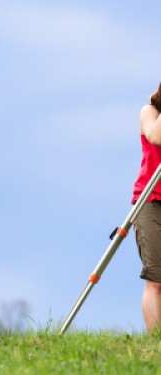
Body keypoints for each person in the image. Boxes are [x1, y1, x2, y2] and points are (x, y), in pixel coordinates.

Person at [133, 82, 161, 331]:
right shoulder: (149, 112)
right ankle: (155, 341)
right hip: (151, 201)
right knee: (156, 278)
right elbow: (155, 136)